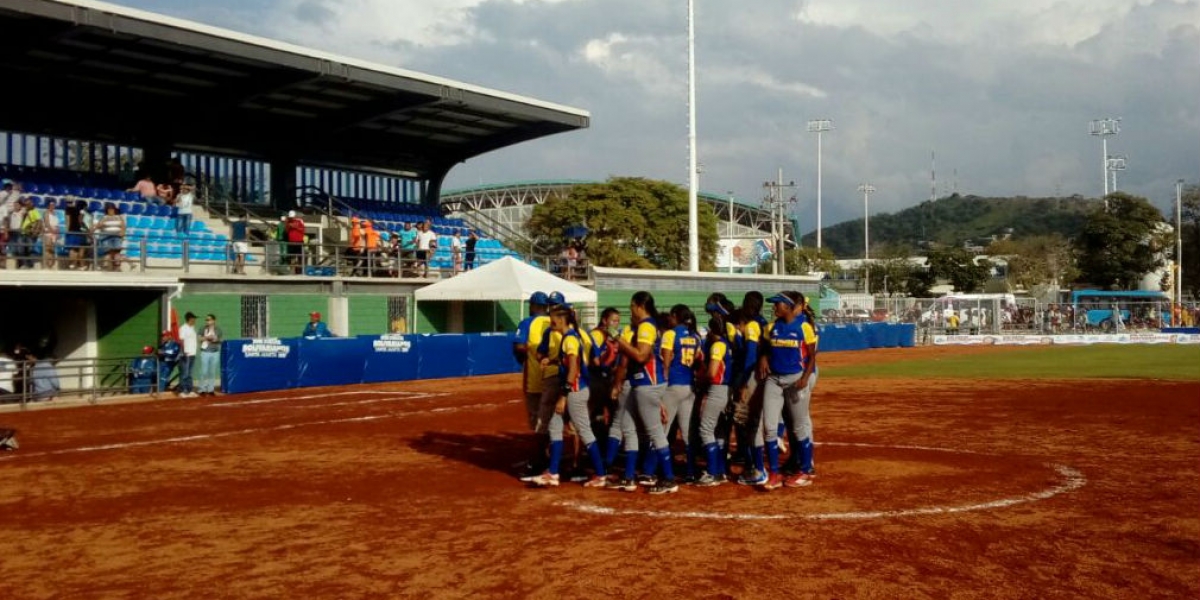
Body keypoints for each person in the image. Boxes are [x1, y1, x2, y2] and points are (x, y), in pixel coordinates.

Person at [528, 304, 607, 488]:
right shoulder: (569, 337)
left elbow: (573, 368)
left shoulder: (569, 339)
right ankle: (553, 472)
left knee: (584, 431)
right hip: (572, 389)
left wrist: (563, 396)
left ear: (562, 320)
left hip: (575, 391)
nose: (551, 321)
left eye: (553, 317)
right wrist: (553, 360)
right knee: (555, 425)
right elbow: (570, 361)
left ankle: (600, 474)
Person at [611, 291, 678, 495]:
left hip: (648, 382)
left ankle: (668, 478)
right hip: (643, 382)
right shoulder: (647, 326)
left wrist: (618, 340)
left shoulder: (646, 326)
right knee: (628, 427)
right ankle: (629, 476)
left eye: (632, 306)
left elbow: (641, 356)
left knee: (655, 432)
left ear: (640, 305)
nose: (630, 310)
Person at [757, 291, 819, 489]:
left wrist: (804, 378)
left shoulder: (804, 327)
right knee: (769, 427)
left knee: (799, 426)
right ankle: (774, 473)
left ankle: (805, 471)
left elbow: (811, 357)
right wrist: (764, 357)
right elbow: (765, 348)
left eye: (778, 304)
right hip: (773, 380)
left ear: (789, 306)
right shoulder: (772, 327)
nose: (774, 307)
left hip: (795, 380)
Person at [660, 304, 704, 482]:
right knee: (687, 433)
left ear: (676, 316)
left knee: (661, 430)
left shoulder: (670, 334)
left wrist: (661, 385)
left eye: (671, 316)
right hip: (689, 386)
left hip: (672, 385)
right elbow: (698, 362)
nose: (669, 319)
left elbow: (666, 361)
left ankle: (660, 470)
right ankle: (691, 470)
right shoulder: (695, 336)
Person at [512, 292, 551, 478]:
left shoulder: (528, 323)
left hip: (534, 380)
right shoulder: (555, 321)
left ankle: (540, 461)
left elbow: (518, 346)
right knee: (555, 421)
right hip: (554, 379)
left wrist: (526, 356)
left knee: (538, 424)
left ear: (534, 306)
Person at [91, 203, 125, 272]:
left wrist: (122, 233)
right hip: (107, 236)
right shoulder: (105, 217)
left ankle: (117, 267)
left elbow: (123, 226)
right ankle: (107, 266)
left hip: (117, 236)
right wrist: (93, 229)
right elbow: (98, 225)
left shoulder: (119, 217)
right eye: (109, 209)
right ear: (107, 210)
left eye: (112, 209)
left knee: (117, 252)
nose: (111, 211)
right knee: (108, 251)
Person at [196, 314, 223, 396]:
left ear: (214, 320)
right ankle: (202, 389)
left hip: (215, 352)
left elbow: (221, 340)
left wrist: (216, 339)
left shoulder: (218, 329)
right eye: (207, 320)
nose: (208, 321)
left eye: (209, 319)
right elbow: (199, 338)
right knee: (204, 371)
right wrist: (207, 338)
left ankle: (210, 389)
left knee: (212, 372)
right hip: (205, 352)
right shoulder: (203, 328)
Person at [64, 200, 90, 271]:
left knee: (73, 249)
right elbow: (81, 222)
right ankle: (76, 265)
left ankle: (72, 265)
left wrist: (67, 231)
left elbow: (68, 221)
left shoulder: (69, 209)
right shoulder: (83, 212)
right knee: (77, 250)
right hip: (80, 232)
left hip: (72, 231)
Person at [177, 312, 198, 398]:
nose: (195, 320)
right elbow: (181, 341)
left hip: (193, 353)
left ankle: (189, 390)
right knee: (184, 373)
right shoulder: (183, 328)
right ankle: (182, 391)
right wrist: (184, 352)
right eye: (194, 319)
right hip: (186, 354)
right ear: (190, 319)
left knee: (189, 373)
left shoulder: (192, 328)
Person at [18, 198, 41, 270]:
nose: (27, 205)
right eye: (26, 204)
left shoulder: (35, 211)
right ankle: (25, 265)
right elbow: (23, 222)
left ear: (32, 204)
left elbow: (39, 221)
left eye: (28, 204)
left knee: (30, 250)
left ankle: (31, 265)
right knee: (21, 250)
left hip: (29, 234)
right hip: (23, 233)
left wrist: (35, 231)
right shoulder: (26, 212)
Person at [39, 199, 60, 270]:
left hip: (54, 233)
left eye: (53, 205)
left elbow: (57, 225)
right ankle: (46, 265)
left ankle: (51, 265)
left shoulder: (55, 214)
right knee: (47, 249)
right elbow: (47, 224)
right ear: (48, 205)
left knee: (52, 250)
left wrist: (57, 233)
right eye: (51, 205)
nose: (52, 206)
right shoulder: (46, 213)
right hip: (48, 233)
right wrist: (52, 231)